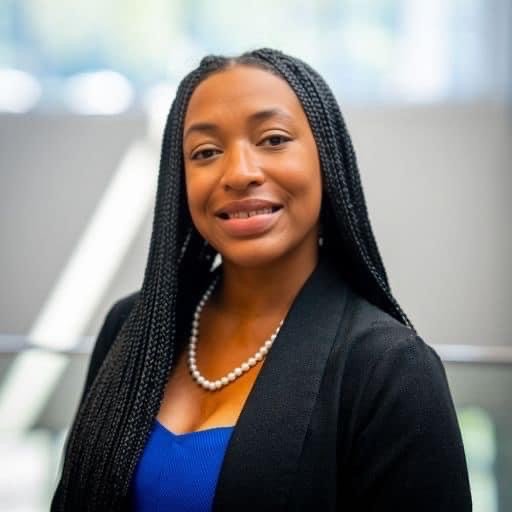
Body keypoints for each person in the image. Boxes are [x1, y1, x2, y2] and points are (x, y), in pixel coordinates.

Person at [51, 48, 472, 511]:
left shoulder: (390, 368)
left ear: (325, 157)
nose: (239, 173)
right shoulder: (135, 326)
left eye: (272, 139)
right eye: (206, 152)